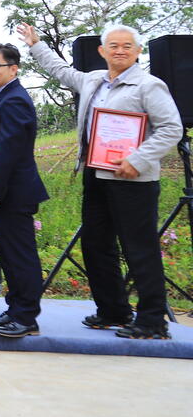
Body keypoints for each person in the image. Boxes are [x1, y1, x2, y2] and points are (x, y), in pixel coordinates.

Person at [19, 22, 183, 340]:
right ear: (101, 51)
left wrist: (137, 159)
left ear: (138, 52)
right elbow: (61, 71)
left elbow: (171, 129)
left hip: (134, 180)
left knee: (139, 249)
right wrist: (36, 44)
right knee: (95, 244)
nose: (119, 51)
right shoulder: (94, 80)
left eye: (127, 46)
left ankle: (152, 320)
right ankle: (113, 310)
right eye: (113, 46)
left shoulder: (149, 86)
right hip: (96, 175)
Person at [0, 43, 49, 339]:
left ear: (14, 69)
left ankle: (26, 316)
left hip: (14, 190)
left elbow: (10, 151)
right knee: (8, 253)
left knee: (20, 255)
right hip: (5, 189)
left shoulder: (15, 100)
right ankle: (14, 310)